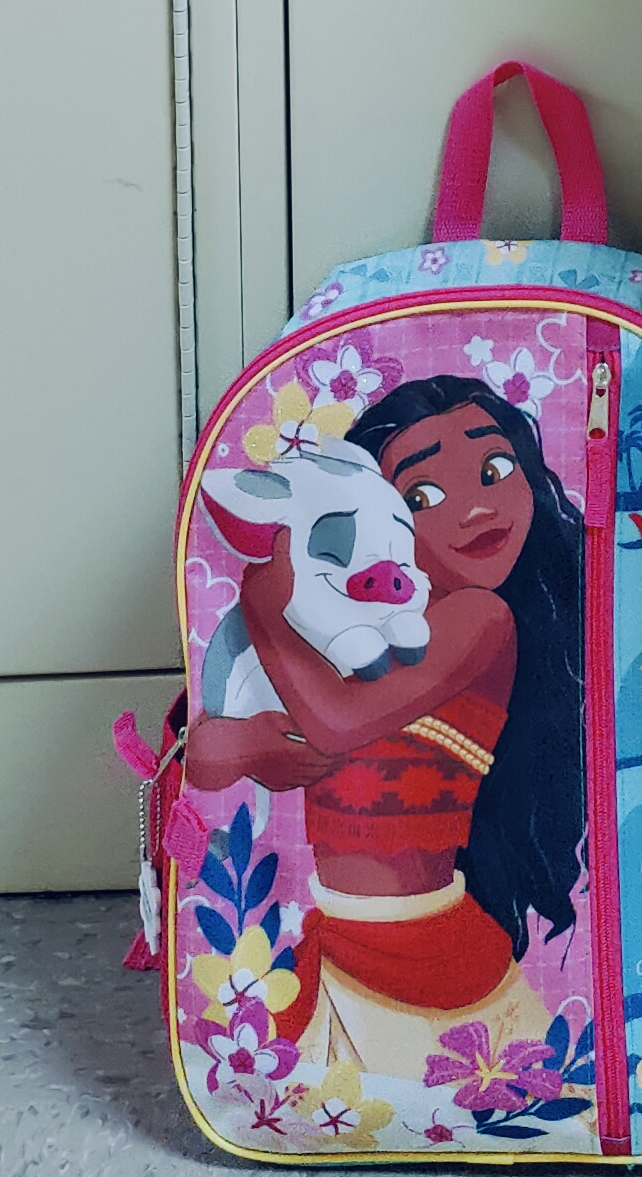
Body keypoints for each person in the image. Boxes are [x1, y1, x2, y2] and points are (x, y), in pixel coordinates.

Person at [181, 375, 586, 1089]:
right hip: (340, 938)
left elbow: (338, 719)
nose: (478, 504)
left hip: (425, 946)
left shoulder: (480, 620)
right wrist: (247, 745)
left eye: (496, 469)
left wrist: (264, 595)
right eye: (423, 495)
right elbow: (241, 754)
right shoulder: (351, 633)